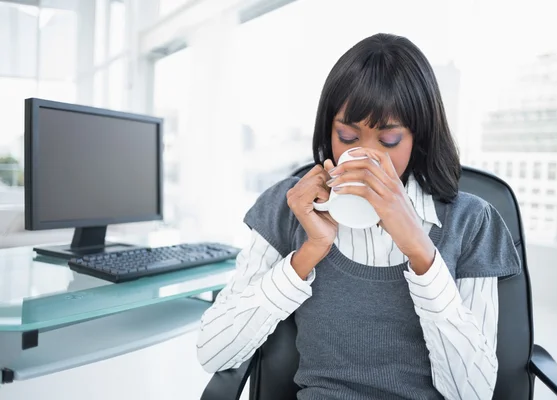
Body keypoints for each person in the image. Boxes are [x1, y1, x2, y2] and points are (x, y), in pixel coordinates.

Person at [196, 33, 521, 400]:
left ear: (419, 137)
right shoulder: (289, 208)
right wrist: (306, 255)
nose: (366, 156)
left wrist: (420, 250)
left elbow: (473, 393)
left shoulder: (471, 222)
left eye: (389, 141)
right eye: (347, 136)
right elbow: (213, 351)